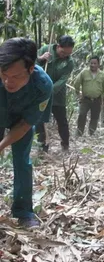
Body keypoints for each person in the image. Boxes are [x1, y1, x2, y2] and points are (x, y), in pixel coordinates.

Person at [0, 38, 53, 228]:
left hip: (21, 120)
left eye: (15, 76)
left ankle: (23, 211)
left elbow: (24, 125)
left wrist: (2, 145)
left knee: (22, 161)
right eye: (4, 74)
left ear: (31, 69)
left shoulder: (43, 86)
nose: (8, 81)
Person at [35, 35, 75, 152]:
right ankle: (42, 146)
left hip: (57, 96)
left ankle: (65, 145)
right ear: (58, 46)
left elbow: (63, 80)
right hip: (40, 94)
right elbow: (32, 65)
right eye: (63, 52)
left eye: (68, 54)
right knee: (40, 121)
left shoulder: (69, 62)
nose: (65, 56)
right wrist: (41, 58)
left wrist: (49, 89)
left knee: (62, 120)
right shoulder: (45, 50)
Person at [74, 55, 104, 136]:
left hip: (97, 100)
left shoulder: (102, 75)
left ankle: (91, 133)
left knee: (94, 117)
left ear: (98, 64)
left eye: (95, 63)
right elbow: (76, 83)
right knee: (82, 115)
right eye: (91, 63)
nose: (92, 65)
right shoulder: (84, 73)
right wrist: (78, 93)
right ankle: (79, 133)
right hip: (85, 99)